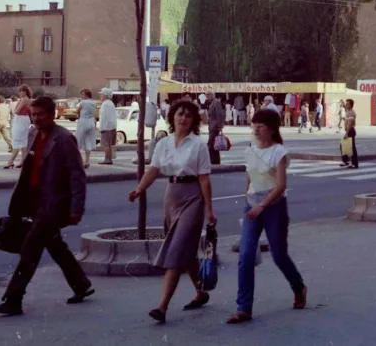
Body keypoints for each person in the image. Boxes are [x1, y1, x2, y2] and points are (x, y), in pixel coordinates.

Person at [0, 96, 93, 316]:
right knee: (55, 245)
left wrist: (76, 208)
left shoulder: (64, 139)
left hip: (54, 205)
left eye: (41, 114)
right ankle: (81, 284)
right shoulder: (33, 133)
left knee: (30, 249)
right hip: (33, 202)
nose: (37, 118)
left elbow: (77, 175)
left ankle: (13, 298)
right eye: (34, 114)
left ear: (52, 115)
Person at [128, 99, 216, 324]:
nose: (183, 119)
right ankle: (201, 292)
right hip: (172, 196)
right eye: (179, 114)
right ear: (172, 117)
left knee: (176, 251)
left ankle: (162, 307)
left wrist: (209, 209)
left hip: (193, 197)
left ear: (193, 120)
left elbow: (204, 179)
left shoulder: (198, 144)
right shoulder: (163, 143)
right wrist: (139, 189)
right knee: (185, 251)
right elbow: (153, 170)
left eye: (188, 115)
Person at [228, 108, 307, 324]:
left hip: (274, 208)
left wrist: (262, 205)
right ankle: (244, 308)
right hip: (252, 206)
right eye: (254, 125)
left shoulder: (278, 152)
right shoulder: (250, 150)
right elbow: (250, 177)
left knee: (279, 255)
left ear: (271, 129)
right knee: (245, 256)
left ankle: (298, 287)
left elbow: (281, 185)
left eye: (260, 126)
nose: (255, 129)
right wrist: (247, 199)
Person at [5, 85, 33, 169]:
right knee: (23, 141)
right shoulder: (29, 100)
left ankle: (11, 161)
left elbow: (16, 111)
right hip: (25, 120)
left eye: (20, 91)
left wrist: (18, 102)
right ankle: (22, 161)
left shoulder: (24, 100)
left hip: (20, 120)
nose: (19, 93)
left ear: (25, 91)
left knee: (16, 140)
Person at [74, 89, 96, 169]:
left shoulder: (83, 102)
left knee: (78, 140)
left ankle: (78, 160)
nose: (82, 96)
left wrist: (78, 113)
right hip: (91, 121)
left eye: (82, 94)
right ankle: (87, 161)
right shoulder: (93, 102)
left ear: (86, 95)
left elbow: (77, 110)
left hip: (83, 121)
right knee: (88, 141)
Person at [98, 88, 117, 165]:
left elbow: (104, 117)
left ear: (105, 95)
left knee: (105, 144)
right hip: (111, 126)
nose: (100, 96)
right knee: (109, 144)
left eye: (102, 94)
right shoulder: (111, 103)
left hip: (106, 127)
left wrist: (101, 127)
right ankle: (109, 158)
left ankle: (107, 159)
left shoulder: (105, 104)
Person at [206, 92, 225, 165]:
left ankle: (213, 161)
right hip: (211, 126)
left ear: (211, 95)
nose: (206, 96)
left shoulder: (216, 102)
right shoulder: (211, 103)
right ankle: (215, 161)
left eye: (207, 95)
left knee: (211, 145)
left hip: (215, 126)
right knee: (214, 145)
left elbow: (219, 115)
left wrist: (220, 126)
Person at [340, 99, 358, 169]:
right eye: (346, 104)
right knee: (344, 146)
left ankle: (354, 164)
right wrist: (343, 103)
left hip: (350, 131)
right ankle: (346, 161)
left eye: (348, 104)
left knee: (352, 148)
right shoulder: (348, 111)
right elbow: (345, 107)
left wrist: (347, 133)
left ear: (351, 105)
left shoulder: (351, 113)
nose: (346, 105)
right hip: (348, 130)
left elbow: (350, 124)